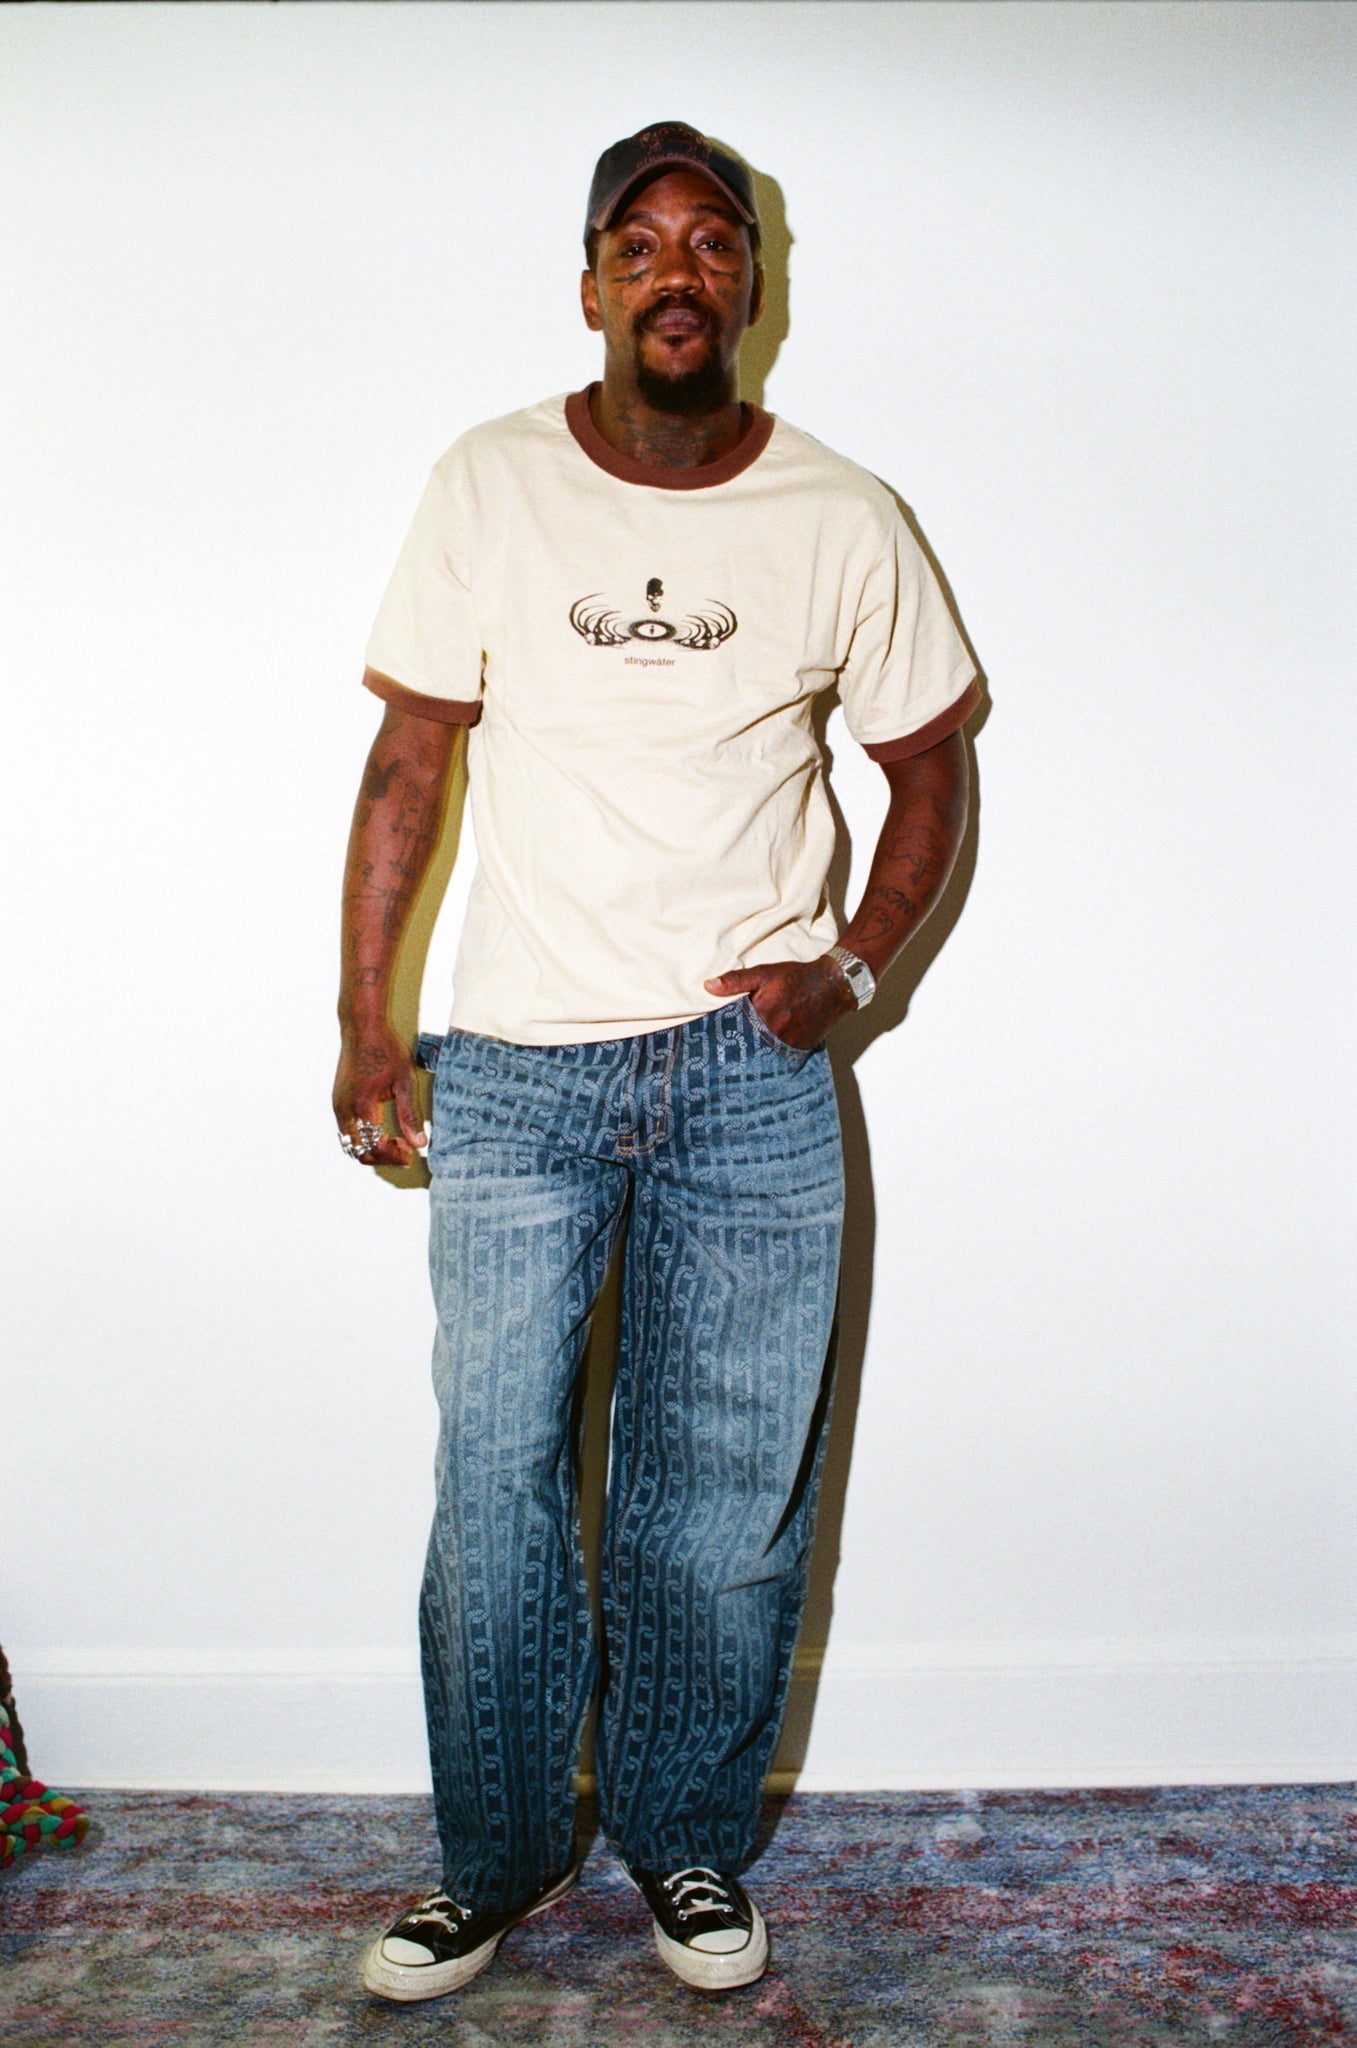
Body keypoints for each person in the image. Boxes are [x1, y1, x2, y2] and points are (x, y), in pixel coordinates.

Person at [333, 120, 980, 2000]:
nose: (676, 270)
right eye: (641, 241)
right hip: (520, 1068)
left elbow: (927, 761)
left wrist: (847, 965)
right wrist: (368, 1017)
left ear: (750, 289)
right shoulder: (491, 481)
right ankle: (497, 1859)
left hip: (748, 1078)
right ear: (594, 281)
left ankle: (686, 1846)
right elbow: (408, 761)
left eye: (713, 242)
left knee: (722, 1492)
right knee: (496, 1480)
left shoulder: (840, 517)